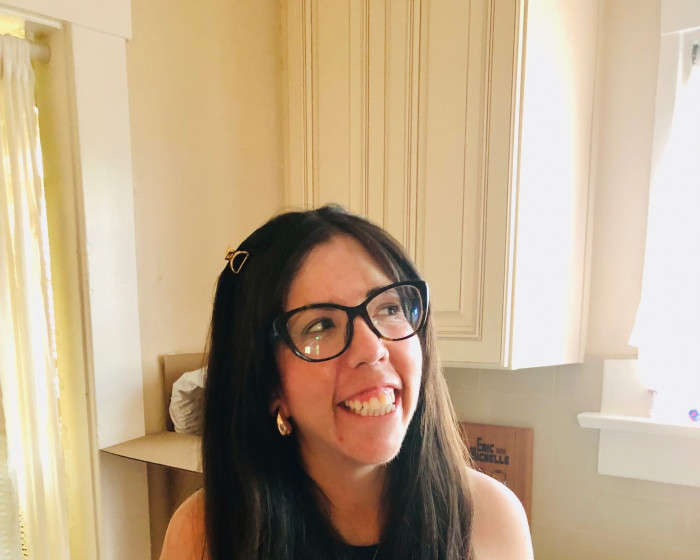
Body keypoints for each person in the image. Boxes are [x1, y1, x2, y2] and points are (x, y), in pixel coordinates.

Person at [160, 205, 533, 560]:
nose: (372, 349)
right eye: (321, 325)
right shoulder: (203, 537)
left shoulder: (491, 519)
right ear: (269, 385)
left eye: (389, 308)